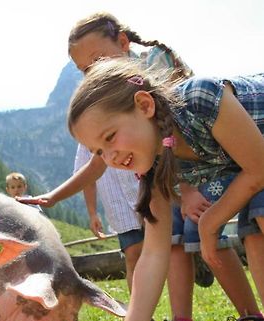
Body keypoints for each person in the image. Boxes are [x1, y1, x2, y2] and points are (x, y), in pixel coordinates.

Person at [20, 58, 264, 321]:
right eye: (99, 152)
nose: (111, 158)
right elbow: (153, 254)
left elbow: (258, 168)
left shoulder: (200, 100)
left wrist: (209, 224)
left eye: (110, 137)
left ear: (144, 105)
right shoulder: (153, 170)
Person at [68, 12, 191, 297]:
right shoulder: (99, 103)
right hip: (143, 185)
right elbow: (91, 166)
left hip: (187, 167)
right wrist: (69, 202)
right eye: (83, 70)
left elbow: (185, 119)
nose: (92, 73)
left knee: (199, 240)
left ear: (123, 41)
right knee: (157, 246)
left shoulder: (155, 62)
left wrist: (188, 185)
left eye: (97, 62)